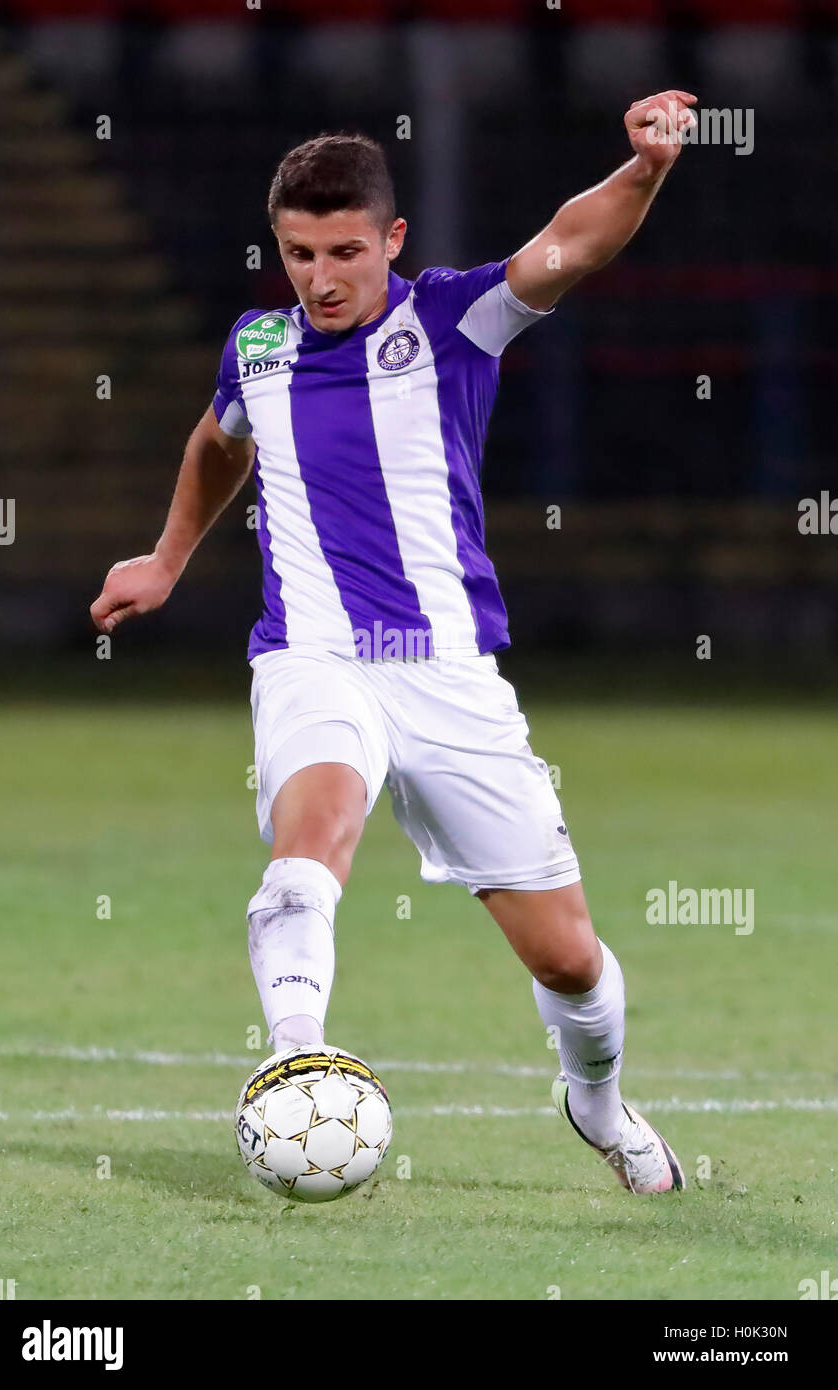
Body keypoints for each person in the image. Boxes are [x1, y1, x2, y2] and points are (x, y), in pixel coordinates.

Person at [91, 90, 697, 1195]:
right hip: (312, 658)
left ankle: (596, 1102)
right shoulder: (259, 343)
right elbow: (218, 439)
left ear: (392, 241)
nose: (319, 278)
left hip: (449, 676)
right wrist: (167, 557)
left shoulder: (455, 321)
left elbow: (569, 243)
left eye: (344, 252)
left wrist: (646, 168)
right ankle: (292, 1063)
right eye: (296, 253)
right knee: (308, 844)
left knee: (566, 957)